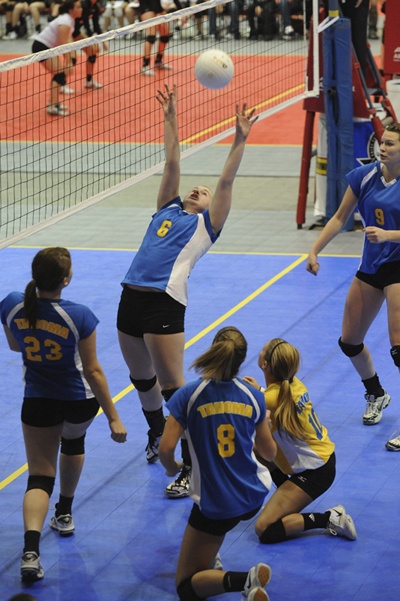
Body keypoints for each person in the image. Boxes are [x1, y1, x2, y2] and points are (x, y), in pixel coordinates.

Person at [117, 84, 258, 498]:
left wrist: (240, 137)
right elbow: (172, 162)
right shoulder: (166, 208)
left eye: (204, 190)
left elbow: (226, 179)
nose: (198, 189)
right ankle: (155, 434)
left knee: (173, 390)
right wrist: (170, 116)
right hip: (130, 296)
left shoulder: (206, 225)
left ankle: (190, 466)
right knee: (141, 380)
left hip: (163, 302)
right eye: (194, 188)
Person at [0, 247, 127, 583]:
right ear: (66, 280)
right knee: (73, 441)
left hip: (39, 400)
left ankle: (30, 552)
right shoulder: (80, 315)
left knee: (40, 477)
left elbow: (16, 346)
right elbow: (95, 371)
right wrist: (114, 417)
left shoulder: (12, 303)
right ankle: (65, 513)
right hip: (79, 401)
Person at [158, 326, 277, 601]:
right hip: (252, 494)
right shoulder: (253, 395)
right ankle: (212, 556)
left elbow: (165, 449)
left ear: (213, 350)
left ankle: (245, 580)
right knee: (212, 541)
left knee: (186, 586)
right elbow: (269, 454)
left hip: (217, 504)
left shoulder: (188, 395)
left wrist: (173, 467)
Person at [306, 122, 400, 451]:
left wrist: (389, 236)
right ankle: (375, 392)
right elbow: (338, 217)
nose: (383, 147)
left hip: (399, 265)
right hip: (371, 265)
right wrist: (315, 249)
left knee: (398, 347)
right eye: (383, 143)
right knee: (349, 341)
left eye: (390, 143)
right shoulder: (364, 176)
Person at [243, 338, 357, 544]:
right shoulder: (293, 383)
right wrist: (259, 390)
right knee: (257, 450)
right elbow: (271, 398)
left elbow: (256, 403)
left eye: (262, 350)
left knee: (265, 529)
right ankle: (287, 494)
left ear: (265, 364)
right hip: (324, 459)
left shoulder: (269, 399)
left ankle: (330, 518)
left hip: (316, 473)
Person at [31, 0, 83, 116]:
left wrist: (70, 60)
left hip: (47, 47)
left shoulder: (69, 19)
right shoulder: (65, 21)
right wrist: (69, 61)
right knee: (59, 74)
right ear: (71, 9)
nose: (81, 9)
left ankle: (53, 103)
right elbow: (62, 44)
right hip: (41, 46)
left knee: (60, 74)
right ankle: (52, 106)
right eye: (78, 7)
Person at [137, 0, 182, 75]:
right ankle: (145, 66)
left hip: (157, 6)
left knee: (165, 35)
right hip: (147, 7)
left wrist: (182, 11)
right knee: (151, 36)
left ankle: (158, 62)